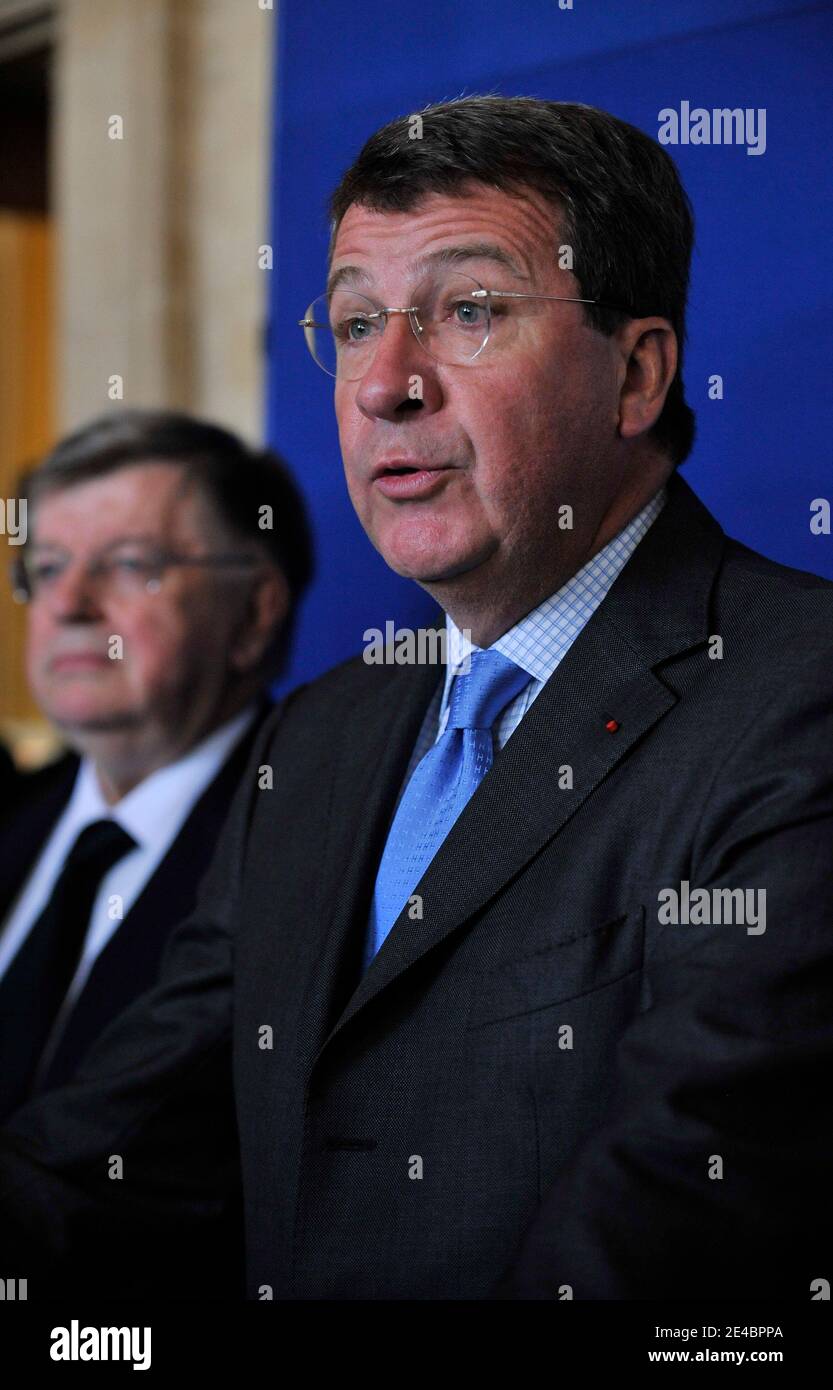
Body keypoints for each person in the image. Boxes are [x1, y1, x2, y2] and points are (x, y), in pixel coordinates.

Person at [1, 96, 831, 1301]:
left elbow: (680, 1222)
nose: (384, 384)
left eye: (470, 311)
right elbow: (123, 1147)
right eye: (350, 322)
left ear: (636, 372)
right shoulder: (321, 735)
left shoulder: (795, 698)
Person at [0, 408, 311, 1121]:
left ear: (254, 612)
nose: (69, 604)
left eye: (131, 564)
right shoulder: (15, 815)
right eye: (47, 568)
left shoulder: (310, 847)